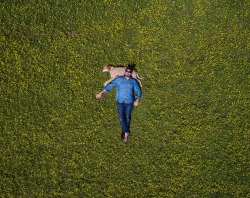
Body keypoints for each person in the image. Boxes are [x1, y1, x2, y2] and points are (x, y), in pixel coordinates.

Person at [96, 65, 142, 142]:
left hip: (129, 102)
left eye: (129, 72)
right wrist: (100, 93)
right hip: (120, 102)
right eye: (126, 71)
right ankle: (126, 133)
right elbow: (109, 86)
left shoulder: (133, 81)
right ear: (125, 72)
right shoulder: (119, 79)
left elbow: (138, 90)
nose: (128, 73)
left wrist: (137, 100)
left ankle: (125, 133)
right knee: (121, 118)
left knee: (127, 118)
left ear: (131, 73)